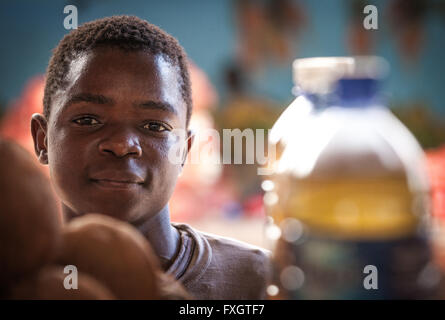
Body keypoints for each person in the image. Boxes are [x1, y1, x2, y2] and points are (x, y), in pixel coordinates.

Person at [30, 15, 270, 299]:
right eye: (87, 119)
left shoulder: (261, 281)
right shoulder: (17, 283)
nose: (122, 144)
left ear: (184, 150)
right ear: (42, 139)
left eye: (154, 126)